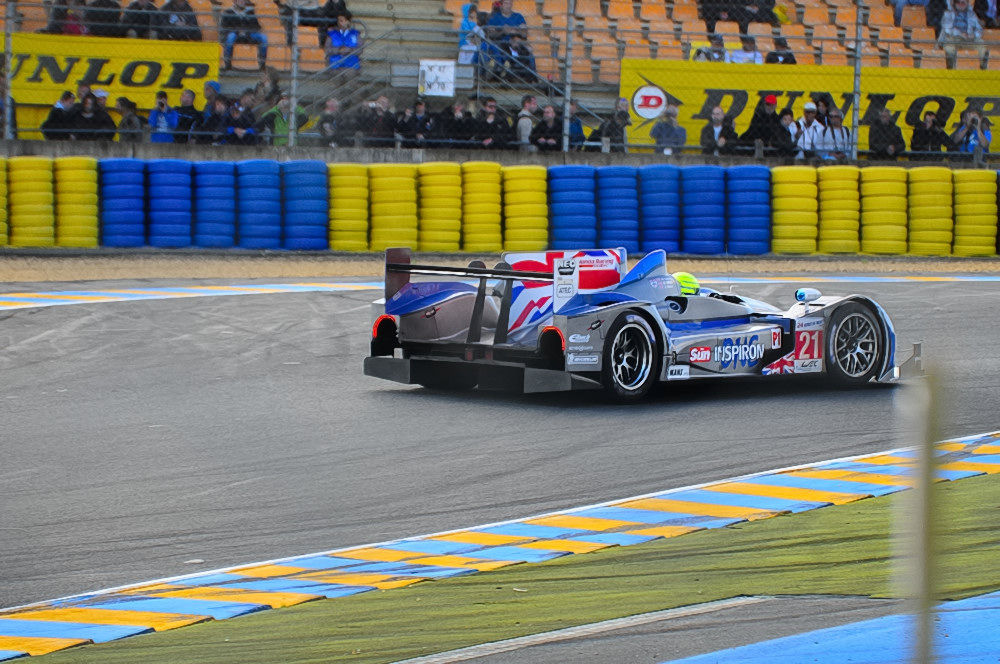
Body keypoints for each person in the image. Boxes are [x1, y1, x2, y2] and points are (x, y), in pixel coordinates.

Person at [220, 0, 268, 71]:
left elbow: (257, 27)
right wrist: (238, 31)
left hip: (249, 34)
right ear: (235, 2)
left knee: (264, 38)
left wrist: (246, 31)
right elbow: (225, 28)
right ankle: (228, 64)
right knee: (230, 37)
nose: (243, 2)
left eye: (244, 0)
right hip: (235, 34)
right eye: (241, 0)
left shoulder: (250, 12)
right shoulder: (228, 12)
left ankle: (262, 65)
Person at [938, 0, 987, 68]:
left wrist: (974, 35)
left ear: (967, 3)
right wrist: (960, 33)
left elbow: (979, 29)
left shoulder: (972, 14)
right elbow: (947, 29)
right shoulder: (948, 13)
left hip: (970, 39)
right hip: (954, 38)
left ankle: (979, 66)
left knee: (981, 44)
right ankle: (952, 67)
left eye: (963, 2)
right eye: (958, 2)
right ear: (954, 3)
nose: (961, 4)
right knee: (949, 47)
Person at [486, 0, 528, 78]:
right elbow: (490, 34)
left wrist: (514, 31)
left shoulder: (518, 16)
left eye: (510, 3)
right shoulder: (494, 17)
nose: (508, 6)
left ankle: (531, 78)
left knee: (527, 50)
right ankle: (502, 74)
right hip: (500, 45)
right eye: (506, 3)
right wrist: (503, 31)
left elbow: (524, 33)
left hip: (515, 45)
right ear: (501, 5)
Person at [0, 74, 16, 140]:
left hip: (9, 138)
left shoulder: (11, 101)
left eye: (3, 84)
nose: (1, 87)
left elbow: (13, 122)